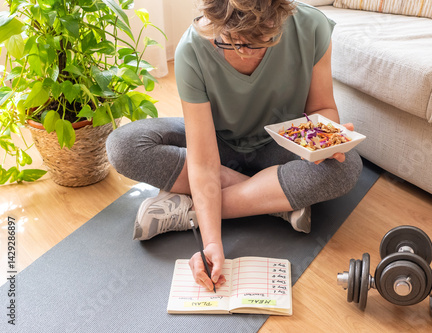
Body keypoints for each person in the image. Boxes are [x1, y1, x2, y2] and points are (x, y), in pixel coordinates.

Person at [106, 0, 362, 292]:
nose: (246, 52)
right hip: (218, 145)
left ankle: (190, 210)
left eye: (263, 40)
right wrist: (212, 242)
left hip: (281, 145)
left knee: (346, 165)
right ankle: (274, 200)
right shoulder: (192, 49)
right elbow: (202, 162)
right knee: (124, 145)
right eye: (232, 42)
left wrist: (328, 140)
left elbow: (323, 108)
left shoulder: (312, 26)